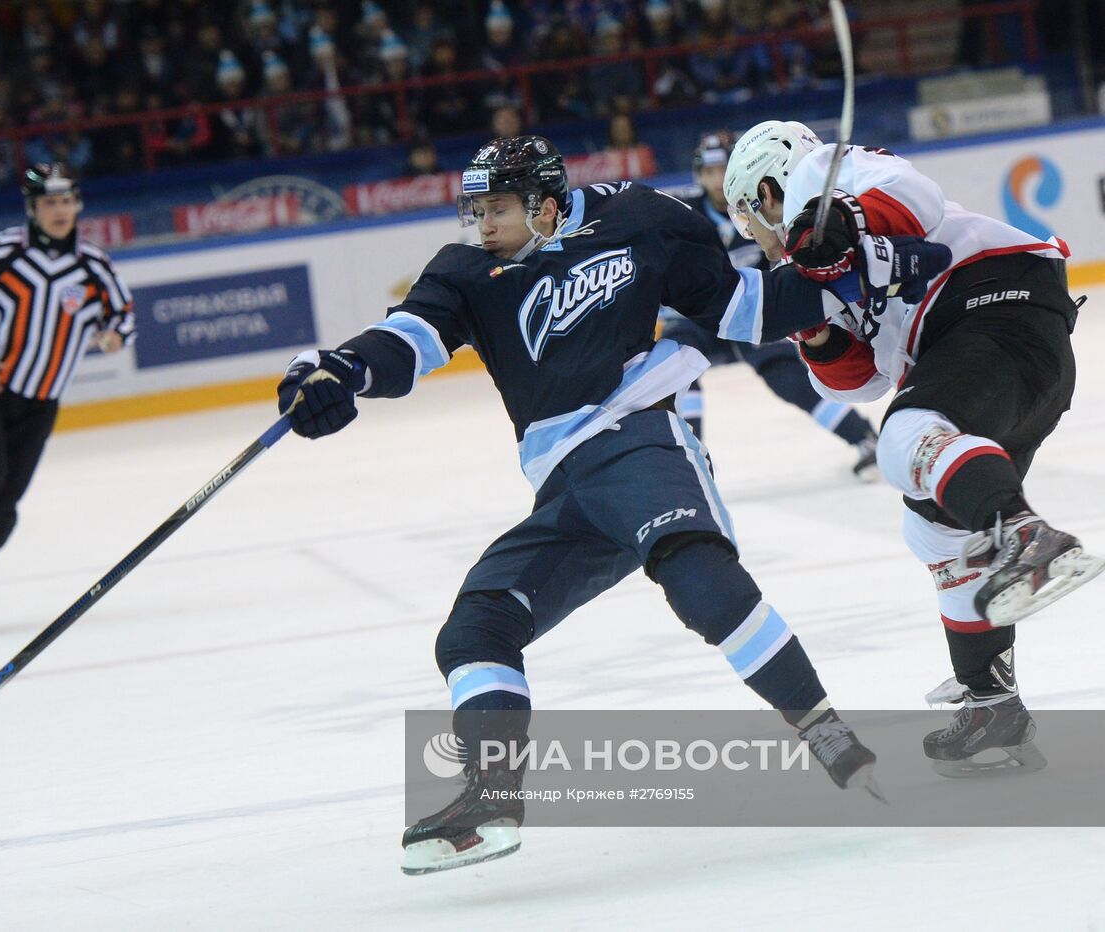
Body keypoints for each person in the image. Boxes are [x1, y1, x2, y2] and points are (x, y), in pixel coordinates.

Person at [274, 136, 935, 874]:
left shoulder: (640, 219)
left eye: (497, 209)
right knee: (474, 630)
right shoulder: (466, 272)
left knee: (697, 577)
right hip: (565, 488)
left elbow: (742, 309)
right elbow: (408, 339)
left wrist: (843, 274)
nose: (482, 224)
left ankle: (829, 736)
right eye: (477, 209)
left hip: (637, 437)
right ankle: (491, 797)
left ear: (547, 207)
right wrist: (342, 370)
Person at [723, 120, 1103, 776]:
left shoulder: (822, 178)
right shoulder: (807, 266)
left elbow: (913, 195)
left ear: (766, 188)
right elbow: (859, 380)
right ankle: (994, 709)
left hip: (992, 307)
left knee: (905, 434)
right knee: (933, 528)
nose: (754, 236)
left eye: (749, 217)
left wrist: (837, 222)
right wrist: (815, 328)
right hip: (1006, 347)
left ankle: (1027, 537)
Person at [0, 164, 134, 633]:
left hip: (41, 400)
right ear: (32, 210)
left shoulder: (94, 265)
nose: (59, 212)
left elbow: (122, 315)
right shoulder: (0, 253)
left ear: (77, 205)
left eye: (66, 202)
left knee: (7, 499)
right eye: (49, 203)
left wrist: (115, 336)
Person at [661, 130, 879, 478]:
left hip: (756, 308)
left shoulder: (767, 202)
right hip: (703, 317)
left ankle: (864, 438)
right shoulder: (681, 213)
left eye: (722, 171)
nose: (717, 182)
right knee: (672, 369)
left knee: (786, 375)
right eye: (709, 173)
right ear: (699, 175)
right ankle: (689, 463)